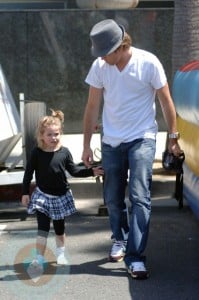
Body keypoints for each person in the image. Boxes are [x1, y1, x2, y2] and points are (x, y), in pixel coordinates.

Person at [81, 19, 182, 279]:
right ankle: (120, 238)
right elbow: (92, 107)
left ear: (119, 47)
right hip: (111, 140)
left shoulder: (148, 62)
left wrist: (173, 138)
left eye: (105, 52)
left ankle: (135, 257)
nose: (101, 57)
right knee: (113, 198)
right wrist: (86, 145)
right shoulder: (100, 66)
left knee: (139, 196)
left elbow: (166, 101)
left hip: (142, 137)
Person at [21, 109, 103, 269]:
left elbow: (74, 171)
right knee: (42, 229)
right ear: (42, 136)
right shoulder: (36, 153)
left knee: (60, 229)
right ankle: (38, 259)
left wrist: (90, 171)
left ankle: (60, 254)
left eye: (56, 134)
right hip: (42, 197)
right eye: (49, 135)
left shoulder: (64, 152)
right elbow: (28, 173)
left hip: (61, 196)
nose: (53, 138)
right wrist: (25, 192)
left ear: (60, 133)